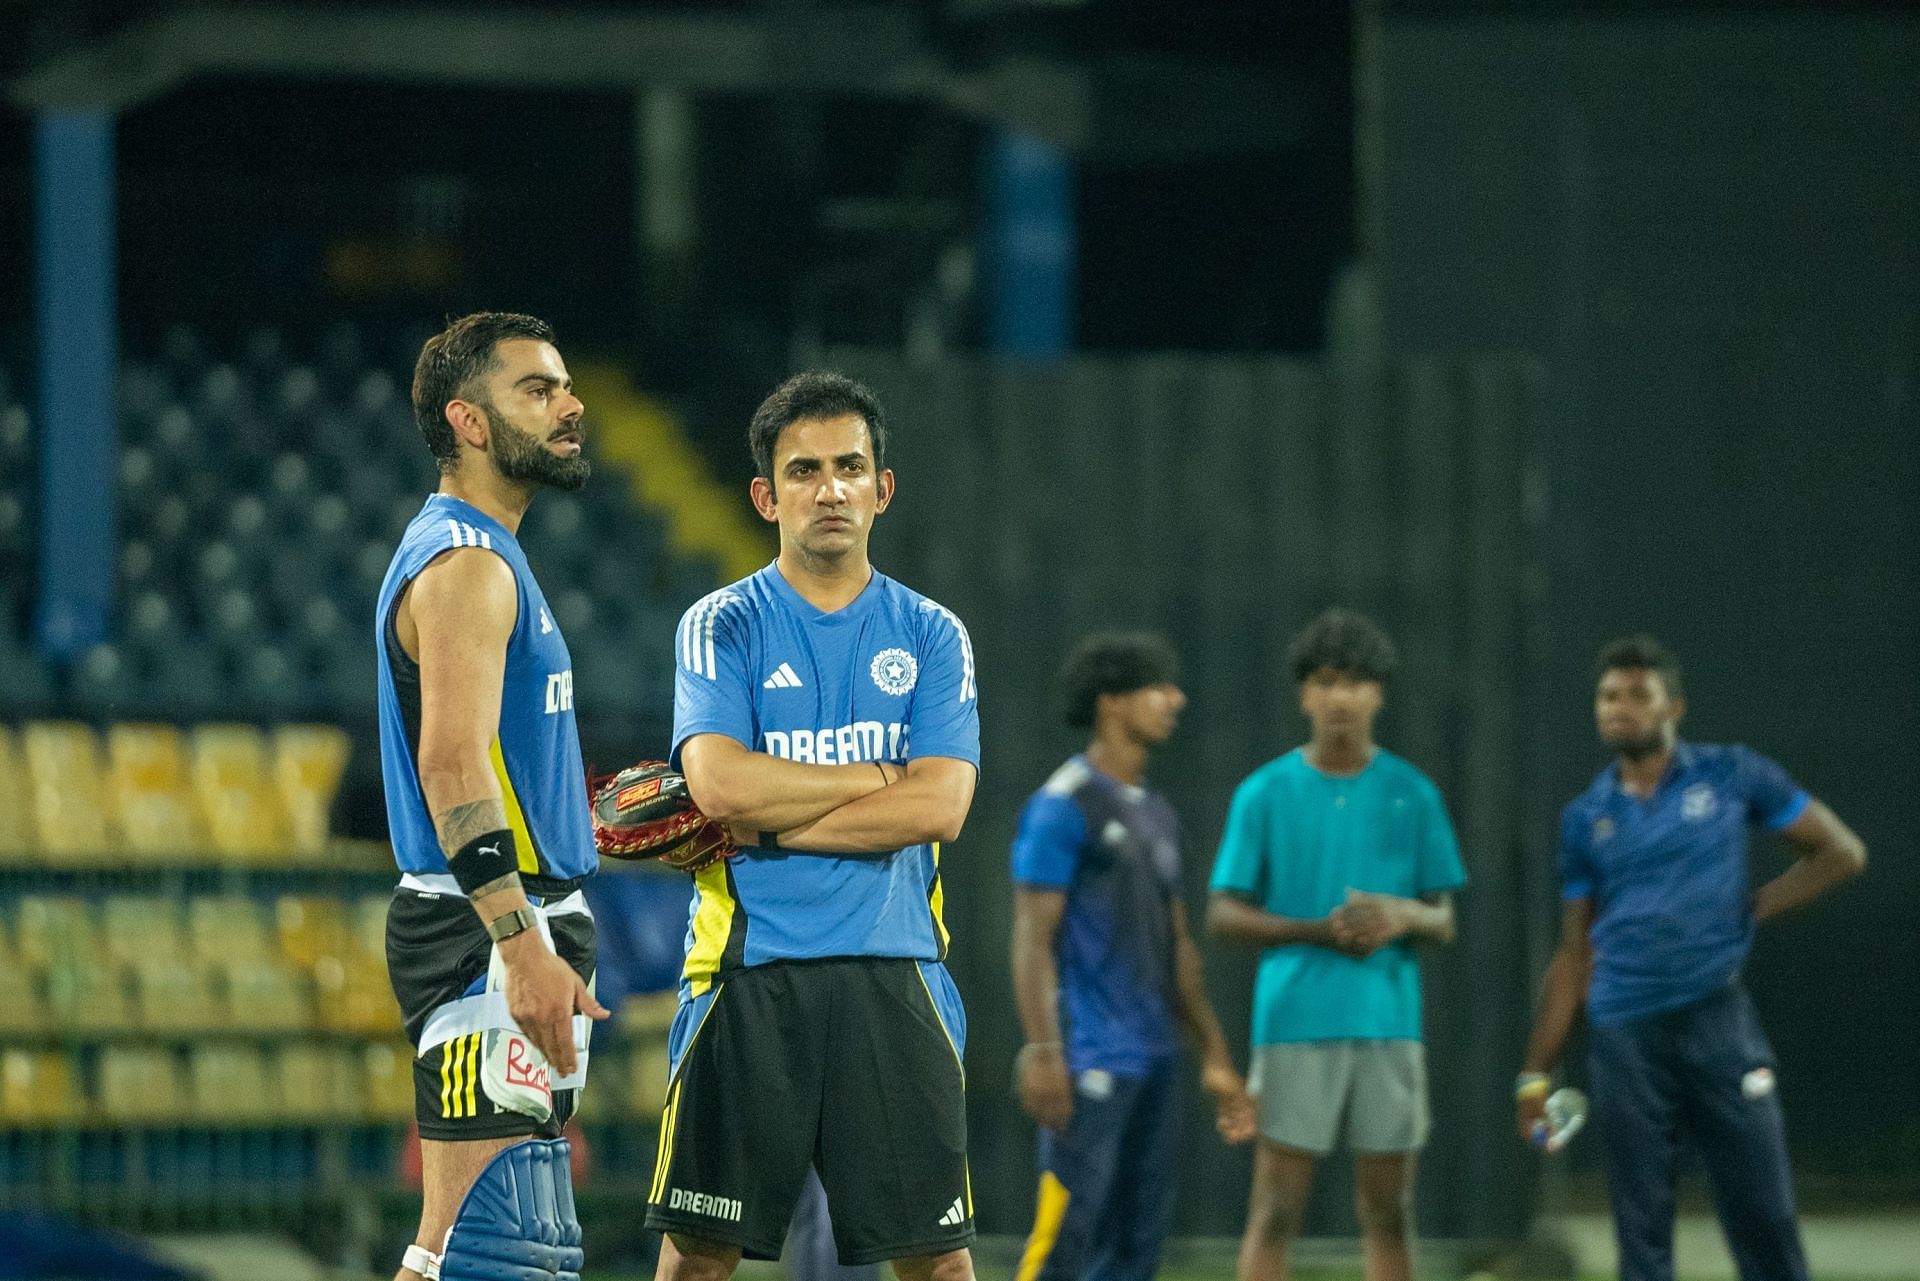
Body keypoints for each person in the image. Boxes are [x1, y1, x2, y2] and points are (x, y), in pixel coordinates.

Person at [649, 372, 980, 1281]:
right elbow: (717, 785)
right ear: (766, 496)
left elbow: (941, 805)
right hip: (747, 975)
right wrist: (878, 777)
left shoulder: (934, 633)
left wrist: (771, 825)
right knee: (697, 1260)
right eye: (804, 470)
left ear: (883, 487)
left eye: (849, 467)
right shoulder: (721, 624)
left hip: (896, 973)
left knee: (939, 1263)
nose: (829, 488)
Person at [1515, 635, 1866, 1281]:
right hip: (1626, 1036)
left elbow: (1841, 851)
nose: (1620, 707)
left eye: (1638, 694)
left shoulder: (1732, 773)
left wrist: (1753, 905)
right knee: (1641, 1226)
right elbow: (1574, 952)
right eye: (1608, 695)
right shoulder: (1586, 817)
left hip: (1718, 1021)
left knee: (1764, 1212)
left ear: (1673, 704)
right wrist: (1534, 1074)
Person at [376, 312, 610, 1281]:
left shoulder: (485, 552)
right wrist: (522, 945)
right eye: (538, 390)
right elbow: (452, 766)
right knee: (506, 1253)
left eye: (564, 384)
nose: (571, 404)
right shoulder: (467, 565)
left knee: (456, 1252)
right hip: (488, 931)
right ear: (469, 423)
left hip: (510, 920)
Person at [1207, 608, 1465, 1281]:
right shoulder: (1263, 792)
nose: (1340, 696)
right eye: (1325, 680)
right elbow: (1224, 912)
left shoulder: (1414, 792)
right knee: (1275, 1208)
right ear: (1304, 694)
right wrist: (1317, 929)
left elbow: (1444, 919)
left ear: (1378, 692)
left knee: (1387, 1210)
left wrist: (1401, 914)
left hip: (1388, 1023)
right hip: (1294, 1022)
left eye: (1355, 681)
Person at [1009, 631, 1255, 1281]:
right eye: (1160, 686)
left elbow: (1179, 948)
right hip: (1089, 1057)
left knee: (1137, 1248)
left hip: (1156, 1059)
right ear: (1112, 702)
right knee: (1065, 1242)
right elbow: (1032, 937)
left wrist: (1218, 1060)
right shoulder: (1065, 804)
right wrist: (1043, 1050)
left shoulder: (1159, 815)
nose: (1177, 699)